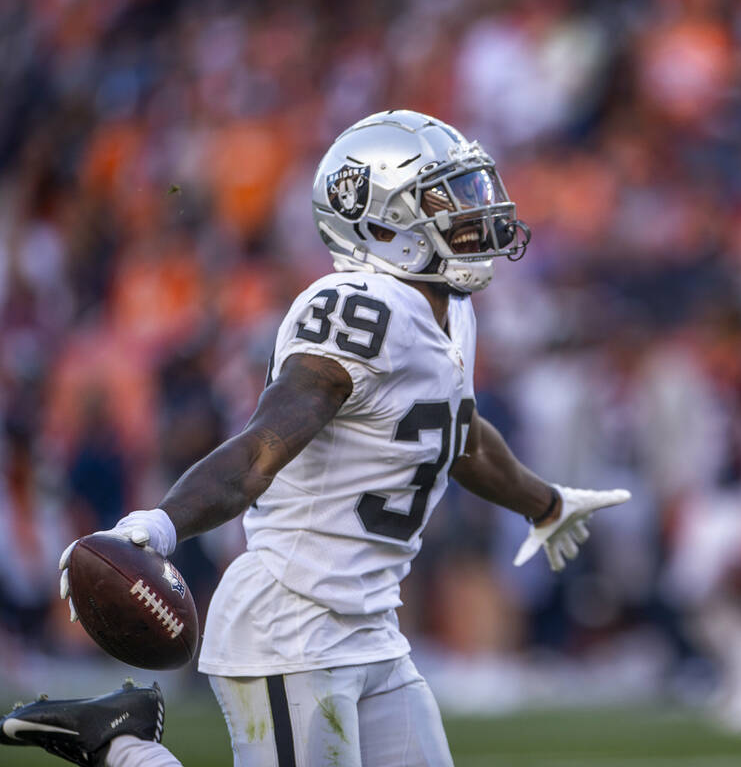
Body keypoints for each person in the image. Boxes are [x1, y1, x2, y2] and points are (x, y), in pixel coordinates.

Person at [2, 110, 630, 767]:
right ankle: (120, 745)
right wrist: (162, 524)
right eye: (446, 198)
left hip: (371, 621)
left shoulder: (451, 310)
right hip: (292, 618)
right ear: (380, 222)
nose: (476, 211)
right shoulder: (360, 307)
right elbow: (260, 450)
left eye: (471, 190)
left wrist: (545, 503)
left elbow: (460, 433)